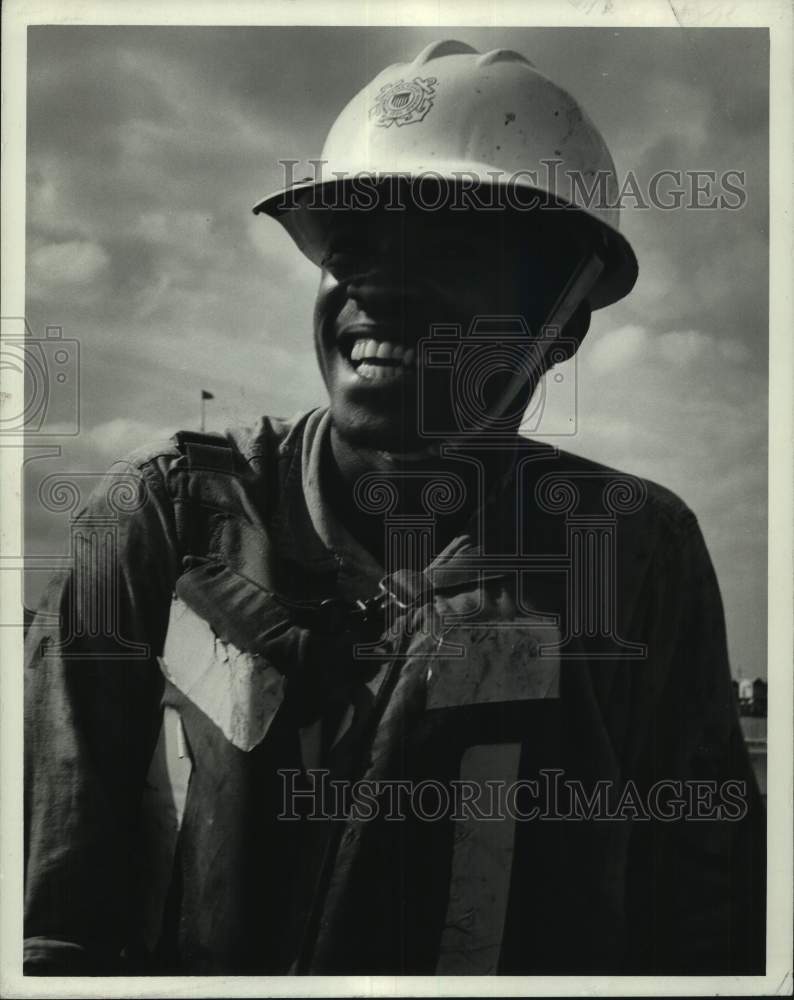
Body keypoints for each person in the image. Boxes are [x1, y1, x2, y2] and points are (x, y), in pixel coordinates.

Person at [24, 40, 765, 976]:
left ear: (566, 322)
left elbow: (708, 918)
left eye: (453, 248)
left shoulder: (634, 554)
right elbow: (51, 923)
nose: (378, 287)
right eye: (353, 247)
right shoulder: (161, 520)